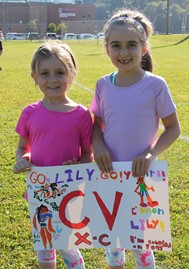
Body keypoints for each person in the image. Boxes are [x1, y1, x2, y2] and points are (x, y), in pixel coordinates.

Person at [90, 8, 180, 269]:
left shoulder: (155, 85)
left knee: (142, 244)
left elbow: (173, 128)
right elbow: (96, 125)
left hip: (140, 178)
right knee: (113, 243)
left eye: (131, 45)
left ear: (144, 48)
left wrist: (151, 153)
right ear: (107, 49)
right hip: (107, 176)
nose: (123, 52)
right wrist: (97, 144)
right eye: (116, 45)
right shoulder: (102, 84)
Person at [14, 42, 93, 269]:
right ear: (34, 77)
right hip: (39, 194)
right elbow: (23, 148)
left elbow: (88, 153)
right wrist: (23, 159)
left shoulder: (81, 115)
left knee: (68, 246)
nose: (53, 80)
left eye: (60, 72)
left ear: (72, 74)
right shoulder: (30, 113)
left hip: (69, 193)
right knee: (45, 248)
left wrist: (77, 166)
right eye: (44, 74)